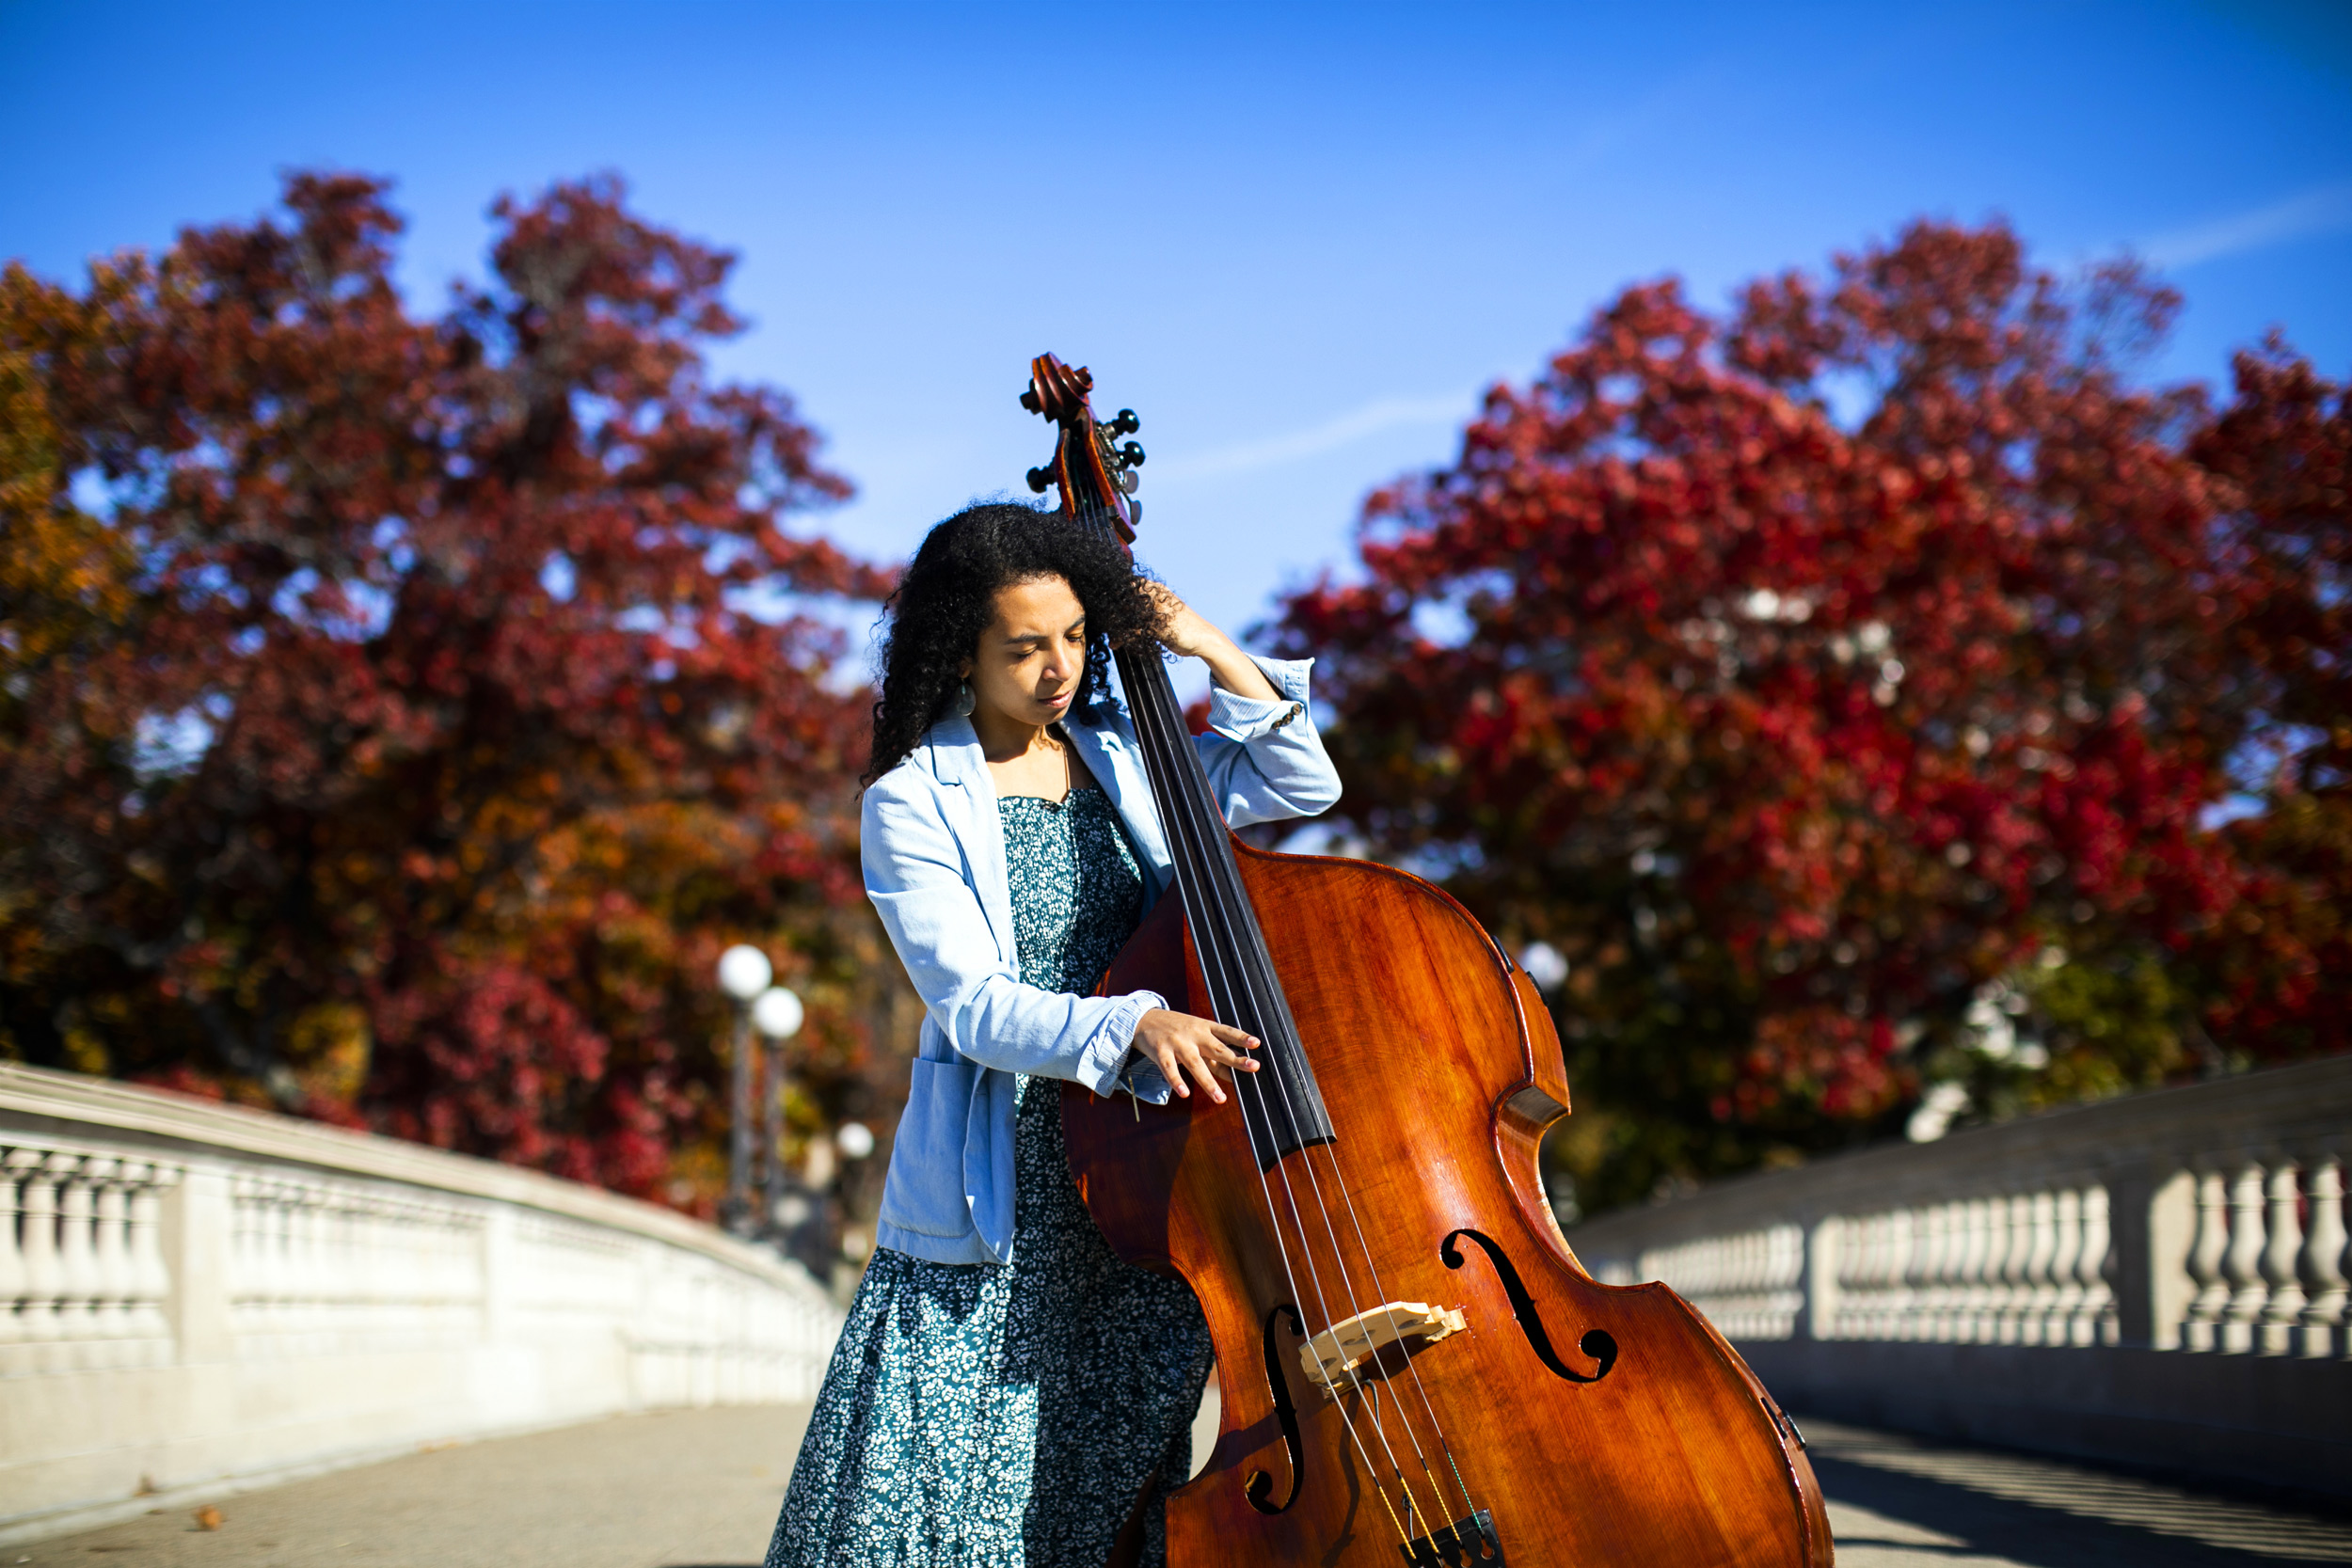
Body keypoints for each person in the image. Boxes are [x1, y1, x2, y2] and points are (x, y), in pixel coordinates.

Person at [764, 501, 1342, 1568]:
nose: (1058, 668)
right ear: (960, 650)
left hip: (1141, 1174)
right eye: (1023, 647)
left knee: (1112, 1485)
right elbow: (972, 1004)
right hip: (1008, 1175)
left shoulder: (1129, 753)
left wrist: (1205, 643)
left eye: (1075, 636)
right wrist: (1136, 1020)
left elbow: (1303, 783)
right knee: (944, 1495)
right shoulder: (908, 801)